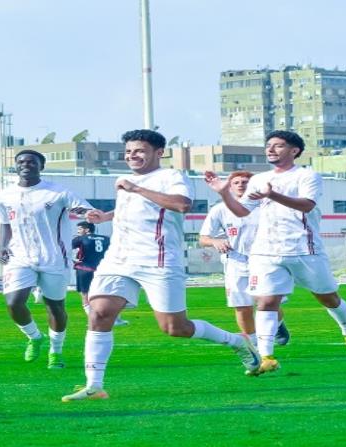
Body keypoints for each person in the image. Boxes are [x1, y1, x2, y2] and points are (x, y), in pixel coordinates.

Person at [61, 130, 260, 401]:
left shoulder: (171, 177)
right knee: (98, 313)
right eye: (129, 151)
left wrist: (136, 188)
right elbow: (132, 210)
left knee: (174, 328)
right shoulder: (126, 181)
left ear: (159, 152)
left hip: (159, 259)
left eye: (140, 150)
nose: (132, 155)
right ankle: (95, 385)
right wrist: (104, 216)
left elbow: (181, 204)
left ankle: (237, 341)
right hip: (118, 259)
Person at [205, 130, 346, 376]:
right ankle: (267, 357)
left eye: (278, 146)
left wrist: (273, 195)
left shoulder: (307, 175)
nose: (270, 149)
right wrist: (223, 193)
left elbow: (307, 205)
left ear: (294, 151)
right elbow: (241, 211)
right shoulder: (259, 178)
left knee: (329, 299)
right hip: (265, 252)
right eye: (269, 145)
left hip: (305, 248)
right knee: (266, 301)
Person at [0, 149, 94, 370]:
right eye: (21, 161)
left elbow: (82, 209)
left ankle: (56, 351)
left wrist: (87, 213)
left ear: (41, 166)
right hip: (19, 256)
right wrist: (2, 245)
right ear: (15, 166)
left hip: (55, 258)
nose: (25, 165)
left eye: (31, 162)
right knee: (13, 302)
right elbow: (4, 223)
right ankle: (34, 336)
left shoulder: (57, 192)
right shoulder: (5, 196)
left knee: (55, 307)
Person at [199, 171, 289, 345]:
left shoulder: (265, 206)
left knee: (267, 302)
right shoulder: (219, 209)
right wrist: (214, 241)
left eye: (245, 182)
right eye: (236, 182)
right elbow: (203, 238)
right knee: (242, 307)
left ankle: (277, 325)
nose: (241, 185)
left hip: (264, 260)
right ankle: (253, 344)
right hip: (235, 262)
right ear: (230, 186)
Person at [72, 221, 128, 326]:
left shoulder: (80, 239)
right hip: (103, 270)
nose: (78, 231)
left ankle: (93, 320)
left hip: (85, 269)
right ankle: (116, 319)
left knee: (85, 295)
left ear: (87, 230)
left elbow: (64, 249)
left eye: (80, 229)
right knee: (108, 295)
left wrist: (72, 261)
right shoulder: (106, 238)